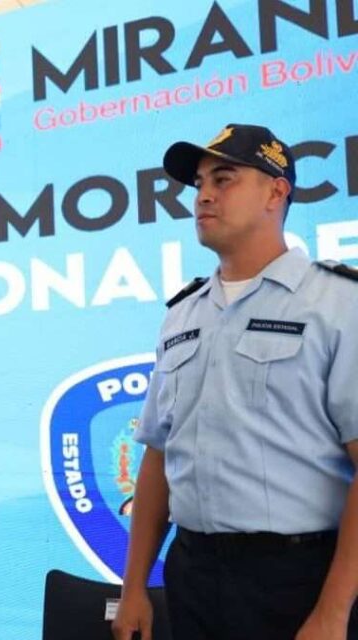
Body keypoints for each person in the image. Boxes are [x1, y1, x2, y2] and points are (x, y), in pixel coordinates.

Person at [112, 124, 358, 640]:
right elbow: (159, 456)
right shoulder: (182, 315)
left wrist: (333, 612)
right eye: (199, 182)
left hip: (298, 578)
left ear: (276, 191)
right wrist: (134, 585)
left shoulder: (338, 304)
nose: (203, 195)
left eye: (224, 179)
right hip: (193, 572)